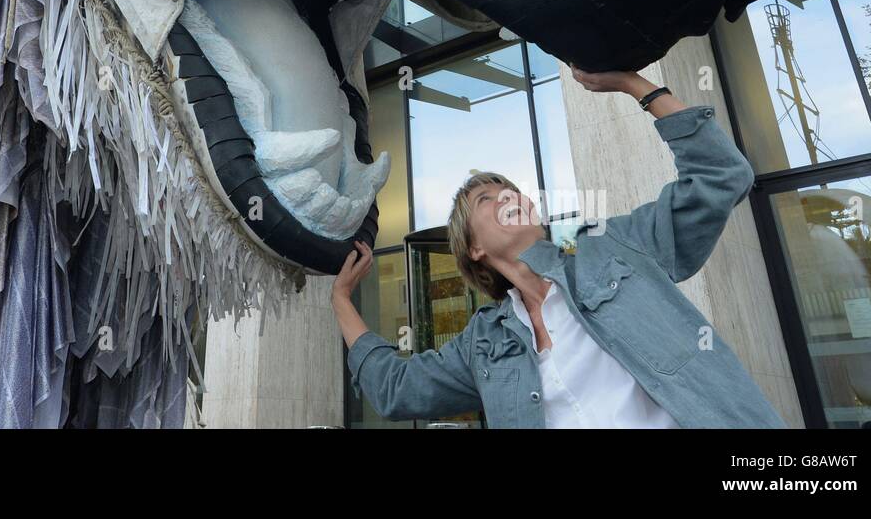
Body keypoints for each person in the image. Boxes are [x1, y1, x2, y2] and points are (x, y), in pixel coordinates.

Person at [332, 67, 786, 428]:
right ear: (473, 249)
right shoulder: (485, 341)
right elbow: (397, 388)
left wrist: (634, 85)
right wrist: (341, 302)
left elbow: (720, 176)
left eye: (512, 191)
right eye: (486, 200)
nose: (506, 197)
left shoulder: (606, 245)